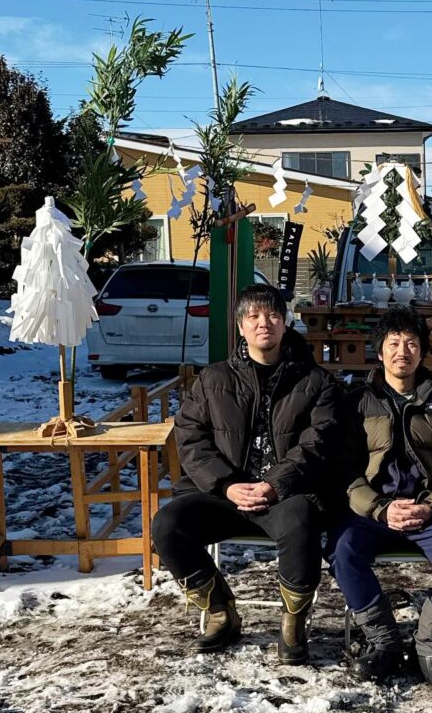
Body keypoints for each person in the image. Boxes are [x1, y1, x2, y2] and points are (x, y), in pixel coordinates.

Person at [152, 283, 337, 663]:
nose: (262, 323)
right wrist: (226, 484)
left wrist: (275, 483)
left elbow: (319, 442)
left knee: (302, 520)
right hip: (224, 494)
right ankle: (221, 612)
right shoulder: (213, 379)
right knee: (168, 524)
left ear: (285, 324)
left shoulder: (316, 381)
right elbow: (190, 437)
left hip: (287, 495)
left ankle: (292, 624)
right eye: (252, 316)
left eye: (271, 315)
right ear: (240, 327)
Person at [327, 307, 432, 689]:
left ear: (422, 352)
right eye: (394, 343)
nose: (403, 351)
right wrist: (380, 509)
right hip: (373, 512)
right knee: (340, 548)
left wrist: (431, 506)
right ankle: (383, 640)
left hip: (430, 511)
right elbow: (342, 470)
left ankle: (429, 642)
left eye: (412, 343)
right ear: (379, 353)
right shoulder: (356, 403)